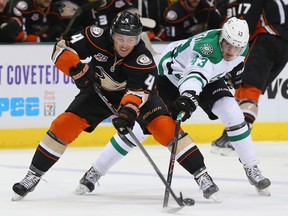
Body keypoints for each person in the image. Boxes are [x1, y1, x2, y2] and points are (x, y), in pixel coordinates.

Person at [12, 11, 219, 201]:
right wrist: (77, 70)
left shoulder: (143, 60)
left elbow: (138, 93)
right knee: (63, 125)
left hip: (140, 98)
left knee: (166, 128)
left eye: (131, 39)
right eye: (120, 38)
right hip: (99, 92)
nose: (125, 45)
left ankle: (202, 175)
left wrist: (127, 112)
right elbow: (60, 49)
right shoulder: (94, 35)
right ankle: (32, 176)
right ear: (111, 34)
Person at [75, 17, 271, 197]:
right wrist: (188, 97)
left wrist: (236, 73)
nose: (230, 51)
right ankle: (95, 171)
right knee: (136, 130)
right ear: (221, 38)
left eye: (236, 47)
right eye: (227, 45)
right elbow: (195, 75)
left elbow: (233, 63)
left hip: (209, 79)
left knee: (233, 113)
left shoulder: (239, 46)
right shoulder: (207, 50)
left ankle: (251, 167)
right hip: (169, 80)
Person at [211, 0, 288, 155]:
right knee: (244, 90)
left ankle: (238, 138)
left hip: (266, 39)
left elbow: (249, 24)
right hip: (284, 47)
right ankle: (231, 133)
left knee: (248, 89)